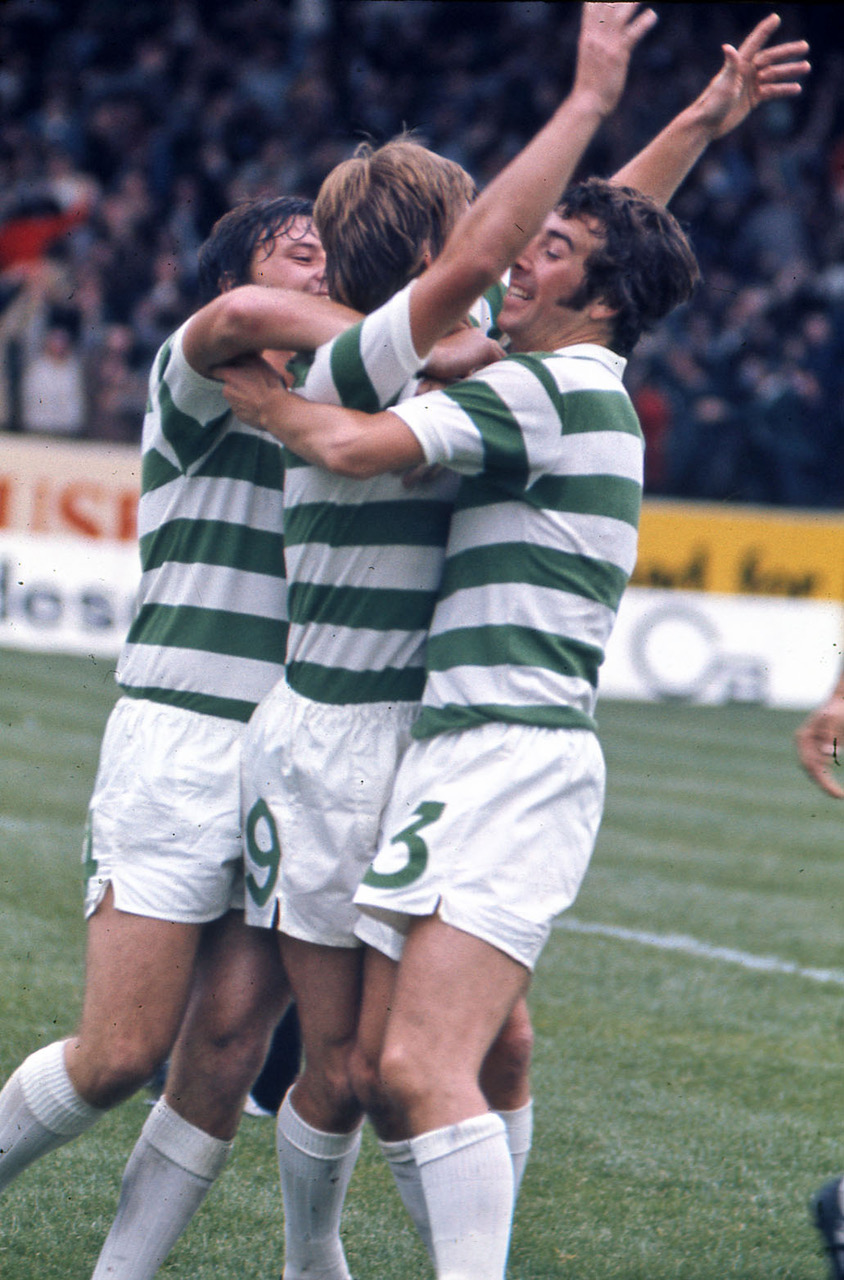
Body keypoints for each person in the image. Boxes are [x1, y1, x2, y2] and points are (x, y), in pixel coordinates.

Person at [218, 10, 809, 1280]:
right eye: (507, 243)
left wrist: (258, 395)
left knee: (414, 1066)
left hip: (505, 750)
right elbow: (584, 257)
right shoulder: (510, 358)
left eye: (540, 255)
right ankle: (328, 1257)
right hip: (430, 742)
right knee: (419, 1063)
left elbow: (363, 429)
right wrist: (700, 121)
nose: (513, 260)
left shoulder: (540, 383)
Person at [0, 194, 360, 1280]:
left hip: (291, 748)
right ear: (232, 279)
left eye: (326, 245)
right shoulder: (199, 367)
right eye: (284, 241)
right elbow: (246, 310)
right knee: (118, 1053)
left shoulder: (342, 402)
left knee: (226, 1048)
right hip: (182, 734)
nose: (310, 248)